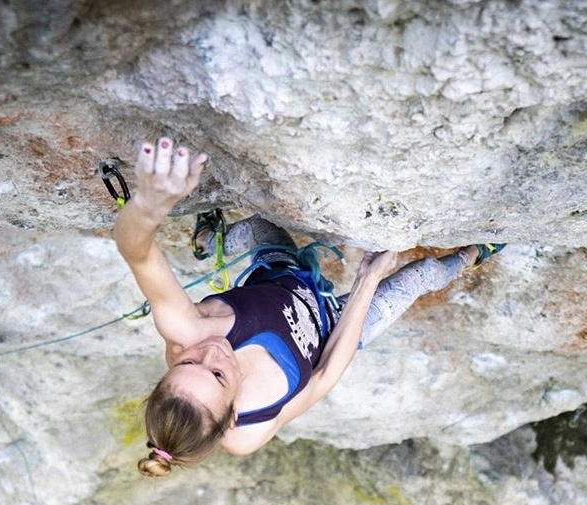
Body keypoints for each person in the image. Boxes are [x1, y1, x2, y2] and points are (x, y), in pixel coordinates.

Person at [114, 138, 505, 476]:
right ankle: (474, 253)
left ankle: (208, 237)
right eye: (217, 374)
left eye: (186, 364)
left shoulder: (190, 330)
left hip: (281, 273)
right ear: (231, 414)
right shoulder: (249, 430)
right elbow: (324, 376)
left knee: (255, 230)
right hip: (336, 328)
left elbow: (139, 253)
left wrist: (147, 206)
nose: (210, 352)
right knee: (420, 277)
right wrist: (367, 279)